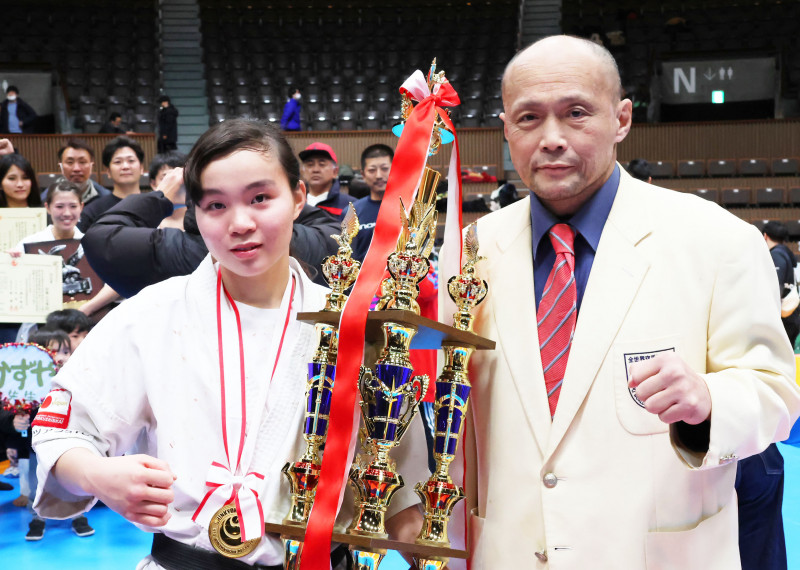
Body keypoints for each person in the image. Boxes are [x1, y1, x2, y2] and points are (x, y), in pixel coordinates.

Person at [447, 35, 800, 569]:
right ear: (506, 129)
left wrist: (709, 402)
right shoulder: (472, 250)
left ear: (622, 119)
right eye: (528, 118)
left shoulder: (717, 239)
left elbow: (775, 393)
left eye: (576, 113)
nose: (551, 139)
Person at [31, 118, 426, 569]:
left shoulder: (353, 327)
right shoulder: (151, 314)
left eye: (260, 198)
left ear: (298, 198)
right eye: (216, 205)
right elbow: (61, 428)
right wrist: (96, 474)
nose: (240, 223)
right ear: (196, 214)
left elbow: (401, 486)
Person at [8, 328, 94, 540]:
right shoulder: (27, 386)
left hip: (73, 444)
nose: (61, 357)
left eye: (66, 351)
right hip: (37, 446)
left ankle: (79, 516)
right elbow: (13, 415)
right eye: (53, 352)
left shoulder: (78, 379)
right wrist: (17, 422)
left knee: (75, 481)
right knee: (36, 483)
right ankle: (38, 518)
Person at [78, 135, 144, 231]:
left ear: (141, 168)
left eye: (131, 161)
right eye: (118, 162)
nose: (125, 166)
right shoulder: (92, 211)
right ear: (108, 171)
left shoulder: (154, 206)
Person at [349, 143, 393, 262]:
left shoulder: (409, 208)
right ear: (363, 175)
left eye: (384, 169)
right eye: (372, 170)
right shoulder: (352, 212)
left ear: (395, 169)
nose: (379, 175)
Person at [11, 180, 84, 253]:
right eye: (59, 206)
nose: (67, 213)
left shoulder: (88, 244)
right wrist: (11, 258)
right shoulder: (29, 245)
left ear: (81, 207)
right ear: (48, 207)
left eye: (73, 206)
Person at [49, 138, 112, 206]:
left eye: (82, 162)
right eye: (70, 162)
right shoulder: (45, 198)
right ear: (60, 166)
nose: (76, 169)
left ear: (91, 166)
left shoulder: (106, 199)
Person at [299, 142, 355, 216]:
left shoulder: (351, 206)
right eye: (310, 165)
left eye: (322, 164)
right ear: (303, 171)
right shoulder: (294, 204)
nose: (315, 170)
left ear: (335, 171)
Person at [148, 152, 187, 230]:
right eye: (167, 178)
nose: (175, 183)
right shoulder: (146, 222)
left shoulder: (201, 217)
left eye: (180, 177)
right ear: (153, 184)